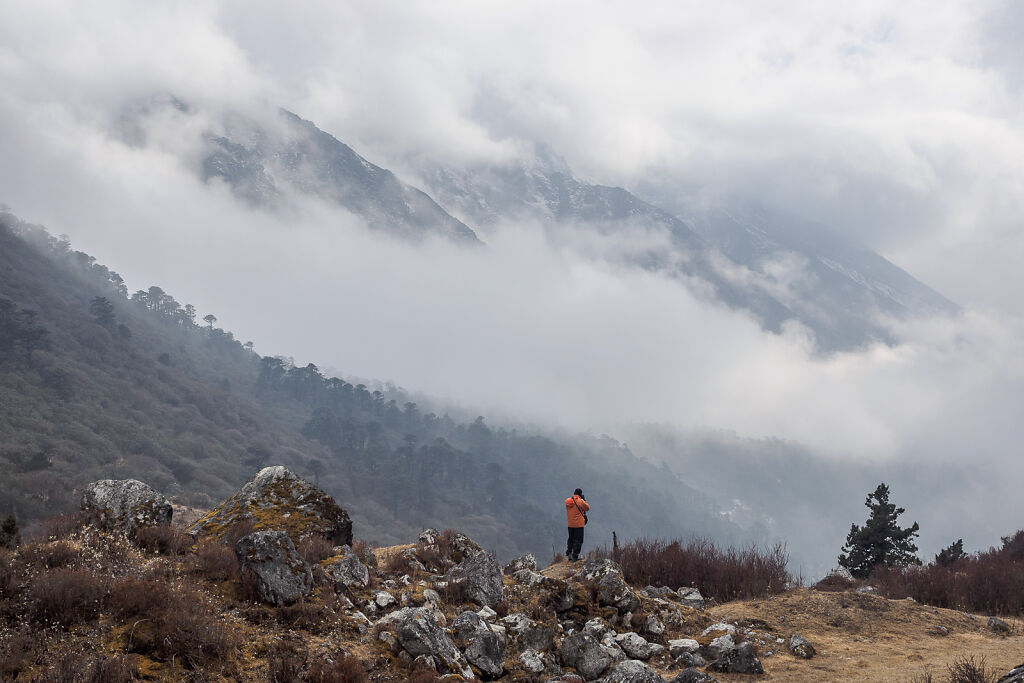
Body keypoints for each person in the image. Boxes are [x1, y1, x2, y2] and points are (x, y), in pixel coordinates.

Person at [565, 487, 590, 561]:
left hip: (570, 524)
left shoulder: (568, 501)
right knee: (578, 540)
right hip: (578, 524)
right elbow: (587, 508)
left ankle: (569, 553)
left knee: (571, 539)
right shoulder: (580, 501)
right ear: (580, 494)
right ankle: (575, 556)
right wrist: (584, 500)